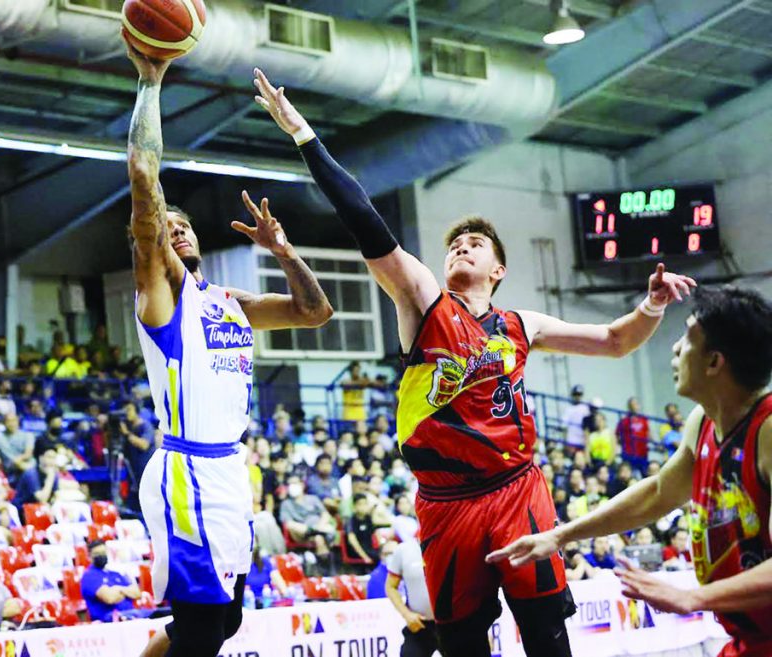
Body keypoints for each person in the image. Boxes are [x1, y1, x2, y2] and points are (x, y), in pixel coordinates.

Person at [253, 67, 696, 657]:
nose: (461, 247)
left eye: (476, 245)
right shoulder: (421, 301)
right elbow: (367, 221)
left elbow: (615, 341)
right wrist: (305, 134)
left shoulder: (522, 326)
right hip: (445, 500)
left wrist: (650, 304)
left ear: (499, 270)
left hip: (517, 489)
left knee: (545, 635)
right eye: (453, 244)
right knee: (461, 644)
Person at [124, 43, 332, 657]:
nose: (178, 228)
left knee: (228, 622)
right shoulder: (160, 295)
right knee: (203, 633)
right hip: (186, 472)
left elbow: (315, 313)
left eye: (186, 224)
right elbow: (143, 179)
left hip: (229, 472)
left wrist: (285, 252)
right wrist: (151, 81)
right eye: (169, 226)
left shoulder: (227, 300)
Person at [489, 286, 772, 657]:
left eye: (686, 340)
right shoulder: (703, 424)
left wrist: (693, 597)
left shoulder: (766, 431)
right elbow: (657, 494)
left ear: (714, 362)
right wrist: (561, 536)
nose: (673, 350)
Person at [386, 538, 438, 657]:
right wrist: (406, 614)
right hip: (419, 624)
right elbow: (390, 587)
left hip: (450, 623)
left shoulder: (450, 543)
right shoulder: (404, 550)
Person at [80, 540, 141, 622]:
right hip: (109, 619)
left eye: (103, 552)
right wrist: (126, 592)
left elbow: (137, 593)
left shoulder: (115, 574)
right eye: (97, 554)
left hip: (133, 614)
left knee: (160, 613)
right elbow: (110, 598)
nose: (101, 556)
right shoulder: (89, 576)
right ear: (89, 557)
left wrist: (117, 588)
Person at [0, 413, 34, 482]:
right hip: (10, 472)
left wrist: (17, 460)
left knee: (29, 472)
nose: (11, 424)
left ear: (18, 421)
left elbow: (28, 454)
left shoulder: (27, 435)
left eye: (13, 421)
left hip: (26, 466)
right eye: (8, 421)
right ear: (4, 423)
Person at [561, 385, 591, 453]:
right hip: (571, 441)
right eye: (576, 394)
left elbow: (588, 427)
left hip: (582, 441)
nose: (577, 396)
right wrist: (565, 443)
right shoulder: (568, 409)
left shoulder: (586, 408)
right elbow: (564, 427)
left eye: (579, 394)